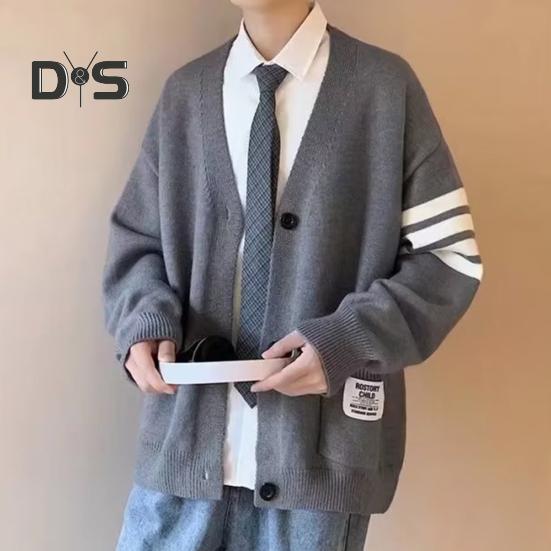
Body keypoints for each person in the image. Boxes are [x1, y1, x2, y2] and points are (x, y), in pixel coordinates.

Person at [101, 1, 484, 549]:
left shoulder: (384, 90)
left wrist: (347, 342)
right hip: (183, 458)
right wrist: (144, 322)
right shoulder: (186, 94)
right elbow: (138, 242)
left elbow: (447, 258)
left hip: (317, 473)